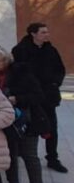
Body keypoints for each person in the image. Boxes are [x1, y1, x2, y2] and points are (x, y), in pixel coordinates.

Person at [0, 47, 48, 183]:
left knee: (29, 155)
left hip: (27, 121)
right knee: (10, 153)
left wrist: (17, 98)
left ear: (6, 60)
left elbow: (38, 96)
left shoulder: (22, 73)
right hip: (5, 120)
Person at [11, 22, 67, 173]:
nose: (47, 35)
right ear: (33, 34)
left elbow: (60, 69)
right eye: (43, 32)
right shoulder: (20, 50)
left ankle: (52, 158)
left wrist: (55, 83)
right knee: (28, 127)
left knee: (51, 127)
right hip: (30, 96)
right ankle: (24, 155)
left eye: (47, 32)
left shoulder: (51, 50)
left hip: (48, 95)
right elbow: (17, 71)